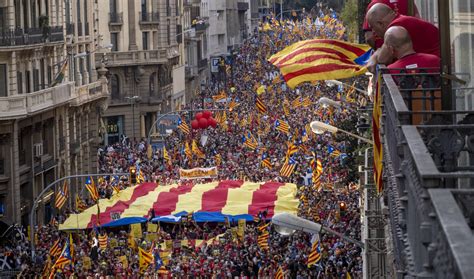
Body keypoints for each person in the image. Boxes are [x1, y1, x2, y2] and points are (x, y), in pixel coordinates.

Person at [366, 3, 440, 71]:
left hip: (435, 67)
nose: (373, 32)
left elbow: (383, 58)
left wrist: (374, 57)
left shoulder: (395, 26)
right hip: (433, 64)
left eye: (373, 27)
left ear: (380, 24)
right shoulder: (400, 20)